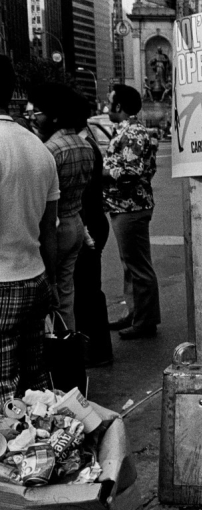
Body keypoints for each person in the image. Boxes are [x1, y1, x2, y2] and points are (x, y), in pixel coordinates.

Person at [0, 55, 58, 403]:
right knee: (37, 393)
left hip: (2, 284)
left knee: (4, 397)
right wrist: (49, 284)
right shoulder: (38, 148)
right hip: (34, 279)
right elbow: (48, 231)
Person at [28, 84, 95, 332]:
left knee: (47, 296)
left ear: (54, 116)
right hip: (75, 223)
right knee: (66, 295)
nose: (35, 118)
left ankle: (50, 357)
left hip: (53, 229)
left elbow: (43, 200)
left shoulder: (49, 150)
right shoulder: (84, 145)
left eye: (38, 113)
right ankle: (69, 350)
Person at [103, 84, 161, 340]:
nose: (106, 106)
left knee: (138, 267)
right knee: (130, 265)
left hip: (131, 207)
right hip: (126, 206)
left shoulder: (133, 134)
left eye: (109, 102)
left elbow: (131, 172)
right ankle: (136, 313)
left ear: (119, 106)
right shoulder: (127, 131)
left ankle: (145, 321)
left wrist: (103, 172)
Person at [76, 102, 114, 368]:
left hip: (89, 225)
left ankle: (94, 351)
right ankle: (97, 349)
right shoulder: (87, 142)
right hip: (94, 222)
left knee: (86, 290)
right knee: (89, 289)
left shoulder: (82, 146)